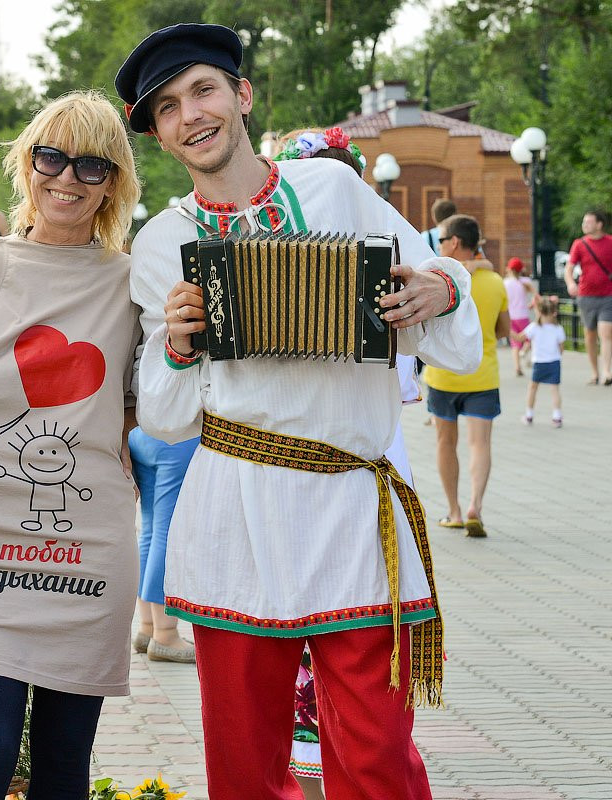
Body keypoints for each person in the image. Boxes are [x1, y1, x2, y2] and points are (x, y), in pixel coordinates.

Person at [115, 23, 481, 800]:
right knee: (243, 763)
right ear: (159, 134)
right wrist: (178, 348)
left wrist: (439, 288)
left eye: (204, 90)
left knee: (377, 756)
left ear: (242, 95)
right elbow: (167, 418)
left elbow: (448, 325)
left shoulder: (335, 191)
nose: (193, 115)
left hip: (348, 506)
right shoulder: (162, 243)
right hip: (234, 515)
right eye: (169, 108)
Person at [0, 90, 142, 800]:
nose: (69, 178)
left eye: (93, 165)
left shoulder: (133, 282)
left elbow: (146, 404)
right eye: (51, 157)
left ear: (114, 182)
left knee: (62, 765)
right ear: (26, 164)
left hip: (84, 546)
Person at [273, 124, 422, 800]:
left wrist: (432, 295)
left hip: (370, 500)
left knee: (370, 692)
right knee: (303, 679)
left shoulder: (391, 269)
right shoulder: (266, 276)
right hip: (284, 507)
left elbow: (412, 376)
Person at [423, 215, 509, 538]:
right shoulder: (495, 281)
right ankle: (475, 505)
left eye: (442, 240)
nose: (439, 245)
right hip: (483, 375)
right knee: (480, 444)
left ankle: (454, 511)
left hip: (444, 377)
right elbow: (505, 330)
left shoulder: (437, 280)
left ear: (455, 242)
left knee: (446, 442)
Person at [128, 429, 198, 664]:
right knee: (166, 533)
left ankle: (147, 627)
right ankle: (165, 634)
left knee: (149, 531)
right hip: (177, 437)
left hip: (141, 434)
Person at [564, 208, 612, 385]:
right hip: (586, 296)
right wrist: (570, 283)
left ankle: (607, 371)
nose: (585, 224)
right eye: (584, 222)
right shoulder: (579, 244)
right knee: (590, 334)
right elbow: (569, 269)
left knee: (606, 332)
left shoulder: (610, 242)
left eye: (589, 222)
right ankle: (595, 372)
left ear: (599, 225)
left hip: (608, 295)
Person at [513, 294, 566, 427]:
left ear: (539, 311)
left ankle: (529, 415)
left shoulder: (534, 327)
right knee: (555, 389)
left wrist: (507, 330)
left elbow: (520, 338)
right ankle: (557, 416)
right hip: (554, 362)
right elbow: (561, 348)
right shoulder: (558, 328)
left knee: (532, 388)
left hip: (539, 363)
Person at [504, 256, 536, 376]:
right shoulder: (525, 282)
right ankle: (524, 351)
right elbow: (535, 295)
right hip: (523, 315)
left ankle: (517, 367)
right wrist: (532, 304)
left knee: (514, 342)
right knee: (529, 338)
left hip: (511, 316)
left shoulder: (505, 283)